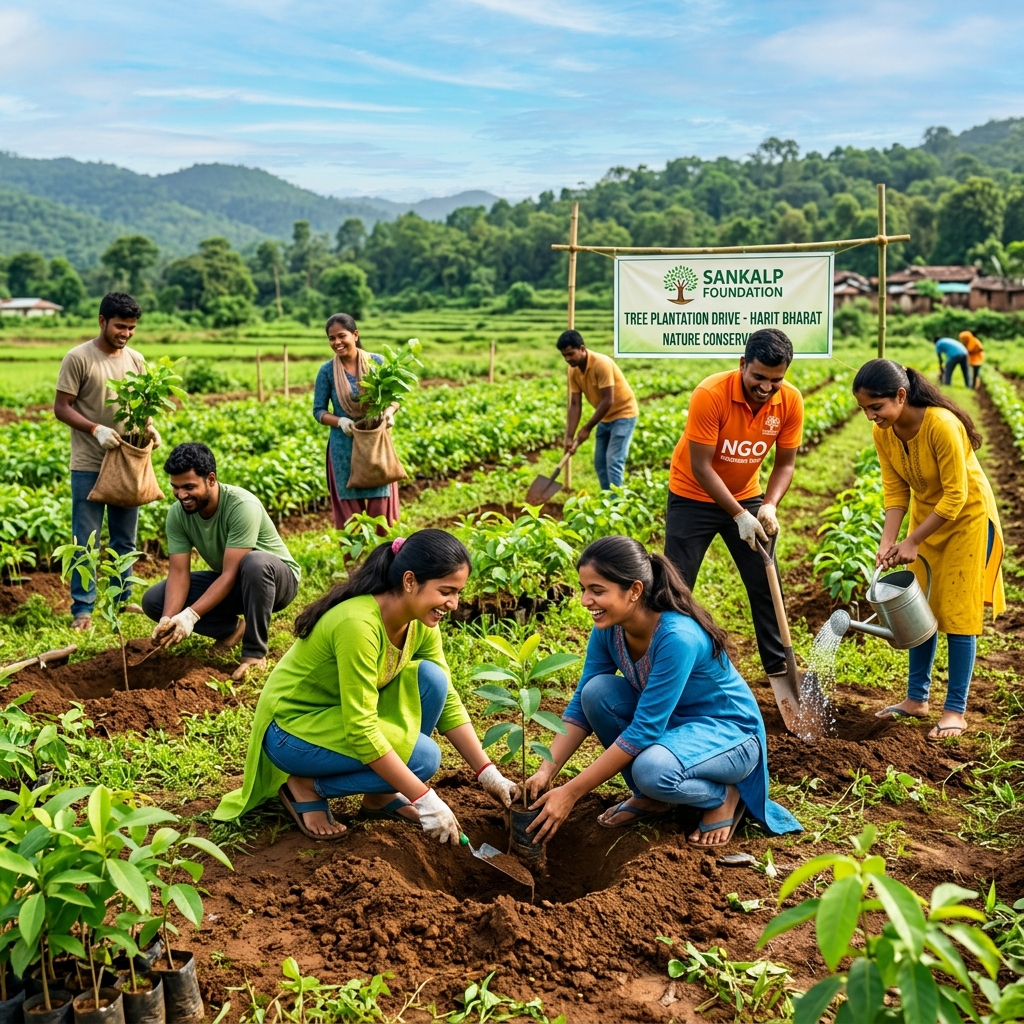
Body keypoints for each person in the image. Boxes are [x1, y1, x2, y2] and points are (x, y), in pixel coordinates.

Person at [212, 529, 519, 840]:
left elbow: (448, 699)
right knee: (423, 758)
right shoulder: (358, 625)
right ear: (410, 581)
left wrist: (488, 774)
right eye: (445, 591)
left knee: (432, 679)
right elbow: (360, 729)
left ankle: (380, 797)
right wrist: (422, 796)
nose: (453, 604)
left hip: (340, 716)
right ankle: (304, 786)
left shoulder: (419, 622)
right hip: (292, 732)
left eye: (458, 593)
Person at [523, 536, 801, 848]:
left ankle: (724, 796)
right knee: (596, 692)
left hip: (730, 736)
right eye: (584, 588)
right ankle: (651, 798)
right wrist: (546, 771)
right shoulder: (610, 628)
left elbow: (644, 730)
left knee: (652, 770)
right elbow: (579, 708)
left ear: (634, 591)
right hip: (676, 728)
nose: (585, 600)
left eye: (597, 591)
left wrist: (571, 792)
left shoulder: (676, 637)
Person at [853, 359, 1004, 740]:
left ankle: (955, 709)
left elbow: (957, 495)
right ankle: (916, 699)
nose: (871, 416)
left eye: (877, 407)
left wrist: (914, 540)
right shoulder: (883, 434)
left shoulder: (941, 425)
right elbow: (895, 490)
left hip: (967, 519)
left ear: (901, 396)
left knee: (956, 612)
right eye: (865, 409)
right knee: (917, 609)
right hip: (926, 518)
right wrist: (890, 540)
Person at [663, 329, 803, 689]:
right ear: (743, 364)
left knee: (765, 579)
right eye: (758, 377)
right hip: (692, 495)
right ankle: (662, 661)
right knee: (675, 584)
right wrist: (738, 514)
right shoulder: (711, 394)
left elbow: (785, 463)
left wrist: (767, 506)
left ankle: (780, 671)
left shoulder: (789, 401)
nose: (766, 387)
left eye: (776, 379)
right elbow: (702, 466)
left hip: (747, 494)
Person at [142, 442, 300, 680]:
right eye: (175, 487)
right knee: (154, 599)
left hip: (274, 582)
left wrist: (191, 616)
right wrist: (169, 618)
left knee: (254, 563)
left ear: (211, 480)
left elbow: (230, 573)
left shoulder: (241, 506)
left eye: (189, 487)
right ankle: (232, 629)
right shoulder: (178, 514)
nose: (181, 495)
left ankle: (254, 655)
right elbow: (178, 573)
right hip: (235, 583)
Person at [54, 292, 157, 629]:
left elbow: (143, 410)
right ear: (102, 321)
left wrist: (151, 430)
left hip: (127, 463)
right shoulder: (78, 358)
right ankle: (83, 610)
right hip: (89, 462)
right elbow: (62, 407)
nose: (125, 333)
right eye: (119, 326)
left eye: (131, 328)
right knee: (85, 540)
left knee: (124, 540)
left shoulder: (137, 360)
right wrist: (95, 428)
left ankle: (121, 601)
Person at [313, 313, 400, 528]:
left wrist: (389, 412)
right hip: (344, 448)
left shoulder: (377, 362)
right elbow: (319, 411)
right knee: (350, 521)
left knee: (382, 515)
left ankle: (384, 561)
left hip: (375, 444)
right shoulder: (326, 371)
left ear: (355, 334)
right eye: (331, 338)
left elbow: (395, 399)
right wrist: (341, 421)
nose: (337, 342)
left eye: (341, 336)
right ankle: (355, 562)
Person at [558, 330, 639, 490]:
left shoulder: (601, 363)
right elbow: (575, 404)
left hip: (624, 414)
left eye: (570, 354)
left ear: (582, 348)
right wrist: (569, 436)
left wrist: (586, 428)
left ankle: (617, 507)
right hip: (605, 418)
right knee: (600, 462)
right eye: (564, 356)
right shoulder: (572, 370)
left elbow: (608, 400)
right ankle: (607, 501)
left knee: (613, 460)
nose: (567, 359)